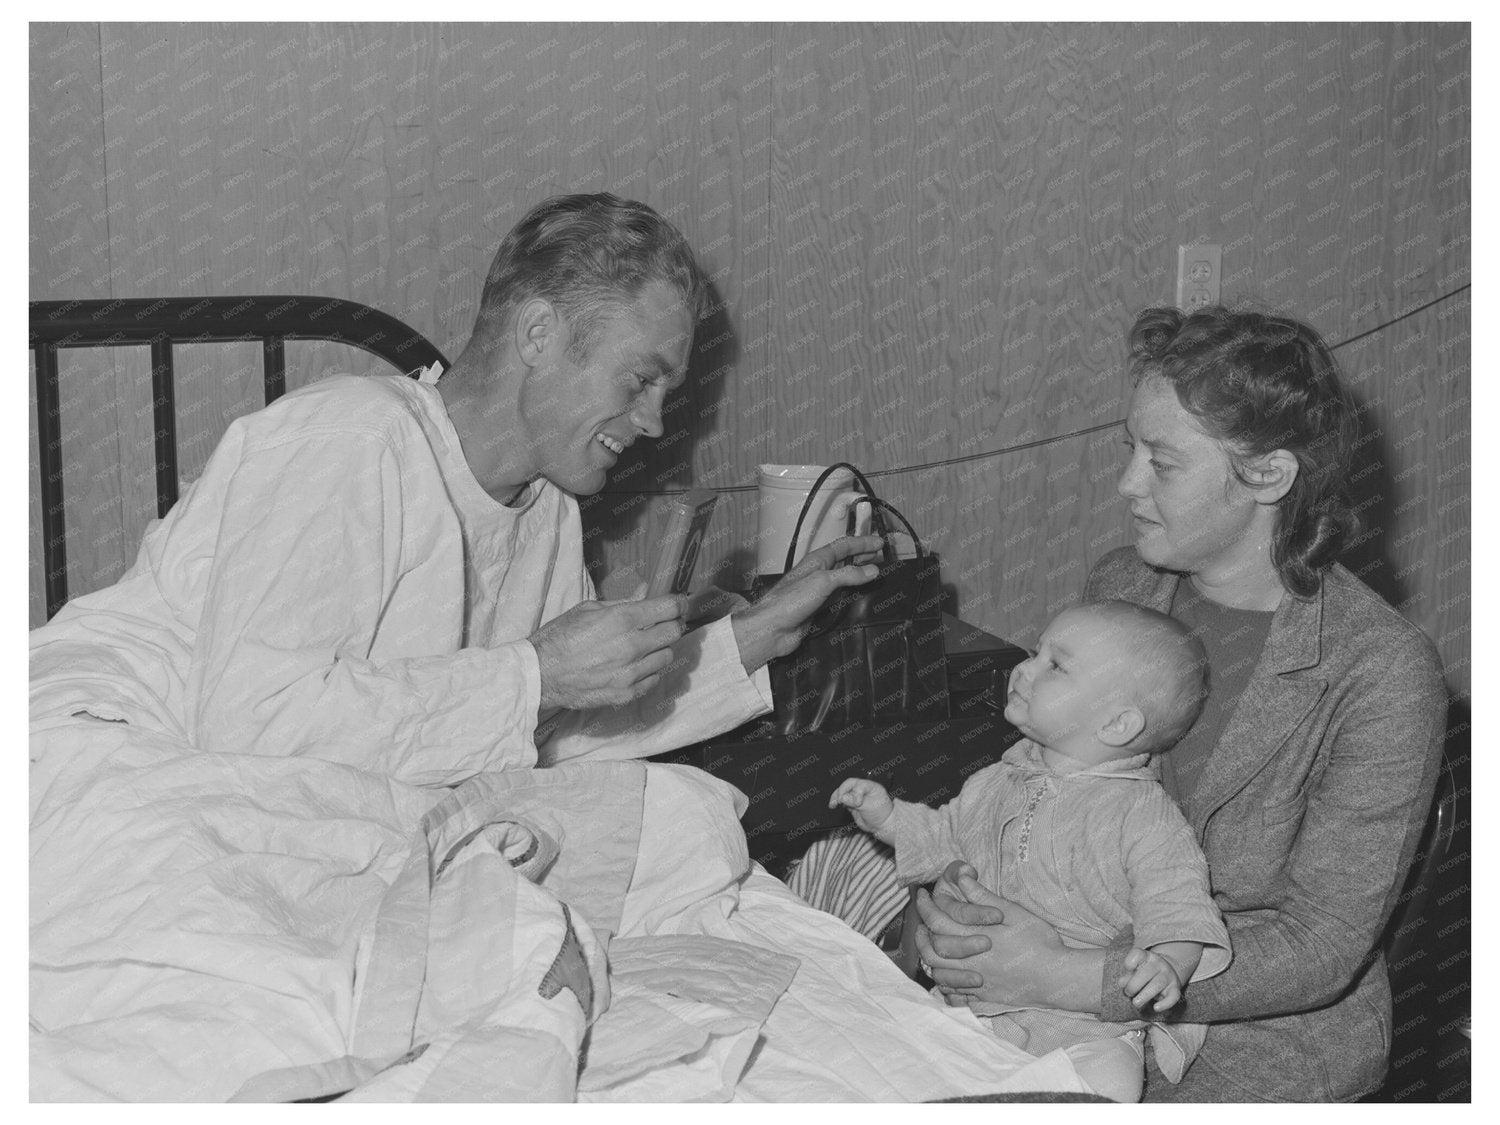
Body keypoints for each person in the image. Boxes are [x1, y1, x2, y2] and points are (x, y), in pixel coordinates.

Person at [30, 191, 879, 781]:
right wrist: (535, 675)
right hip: (108, 752)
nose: (656, 423)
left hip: (286, 796)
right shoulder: (351, 439)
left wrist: (754, 634)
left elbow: (538, 734)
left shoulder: (546, 513)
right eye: (640, 380)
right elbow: (252, 724)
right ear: (540, 331)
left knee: (681, 825)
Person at [910, 306, 1447, 1102]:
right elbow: (1042, 779)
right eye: (1131, 449)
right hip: (1045, 983)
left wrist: (1074, 976)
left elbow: (1320, 943)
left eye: (1161, 462)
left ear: (1267, 475)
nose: (1127, 483)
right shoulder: (1123, 585)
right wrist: (959, 899)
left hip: (1254, 1039)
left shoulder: (1381, 669)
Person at [818, 600, 1229, 1102]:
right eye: (1035, 653)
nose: (1024, 669)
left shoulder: (1143, 814)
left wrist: (1167, 962)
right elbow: (944, 839)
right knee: (878, 1056)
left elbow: (1180, 907)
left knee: (1107, 1085)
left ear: (1116, 725)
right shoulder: (995, 780)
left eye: (1055, 665)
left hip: (1083, 1030)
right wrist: (888, 817)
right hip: (968, 1010)